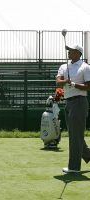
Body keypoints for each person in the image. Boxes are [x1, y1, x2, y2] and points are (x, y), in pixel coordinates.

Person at [56, 44, 90, 173]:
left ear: (78, 53)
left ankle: (74, 167)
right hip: (68, 103)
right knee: (75, 135)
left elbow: (88, 86)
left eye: (71, 51)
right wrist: (66, 81)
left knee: (75, 136)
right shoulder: (64, 66)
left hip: (79, 102)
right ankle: (88, 155)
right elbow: (58, 81)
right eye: (69, 50)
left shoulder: (85, 67)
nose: (69, 52)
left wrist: (74, 84)